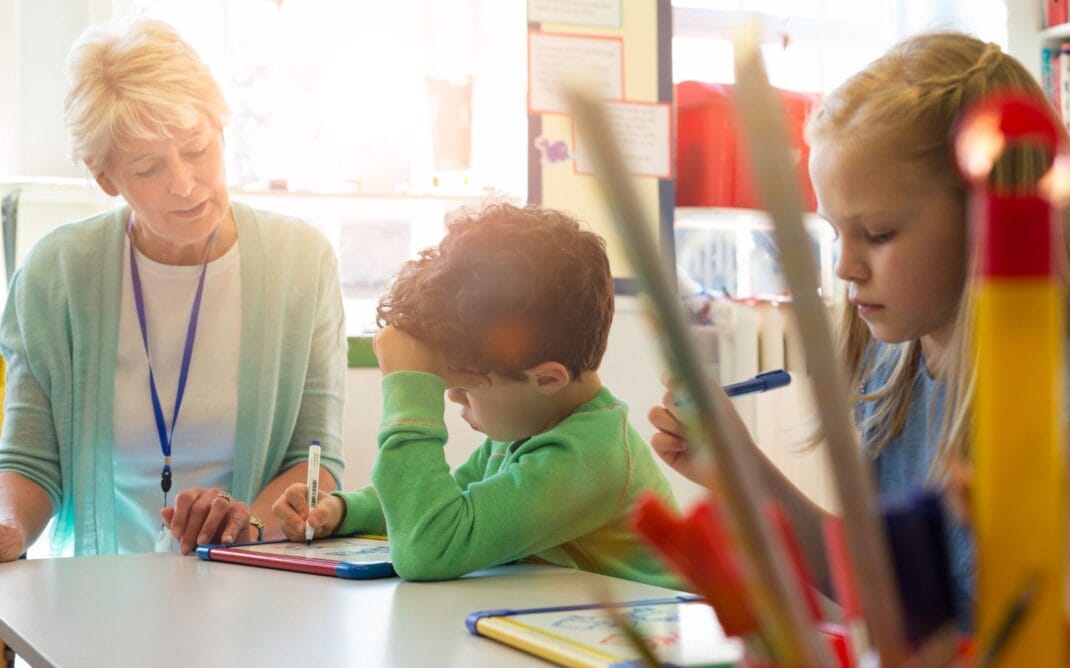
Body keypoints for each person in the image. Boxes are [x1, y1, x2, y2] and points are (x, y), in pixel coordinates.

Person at [647, 31, 1070, 627]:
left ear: (993, 219)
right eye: (834, 232)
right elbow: (881, 585)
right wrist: (740, 470)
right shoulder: (893, 367)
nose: (845, 267)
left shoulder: (1061, 406)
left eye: (877, 233)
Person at [0, 18, 346, 561]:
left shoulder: (302, 261)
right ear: (105, 177)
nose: (184, 184)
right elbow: (29, 463)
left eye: (196, 149)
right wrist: (9, 528)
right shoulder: (55, 273)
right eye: (148, 167)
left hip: (255, 592)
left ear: (222, 129)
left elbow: (315, 463)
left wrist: (245, 526)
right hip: (103, 598)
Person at [273, 203, 679, 586]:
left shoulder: (589, 456)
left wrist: (410, 389)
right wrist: (342, 510)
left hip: (644, 654)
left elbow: (428, 547)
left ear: (547, 380)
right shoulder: (531, 428)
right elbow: (444, 502)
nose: (452, 399)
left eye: (463, 388)